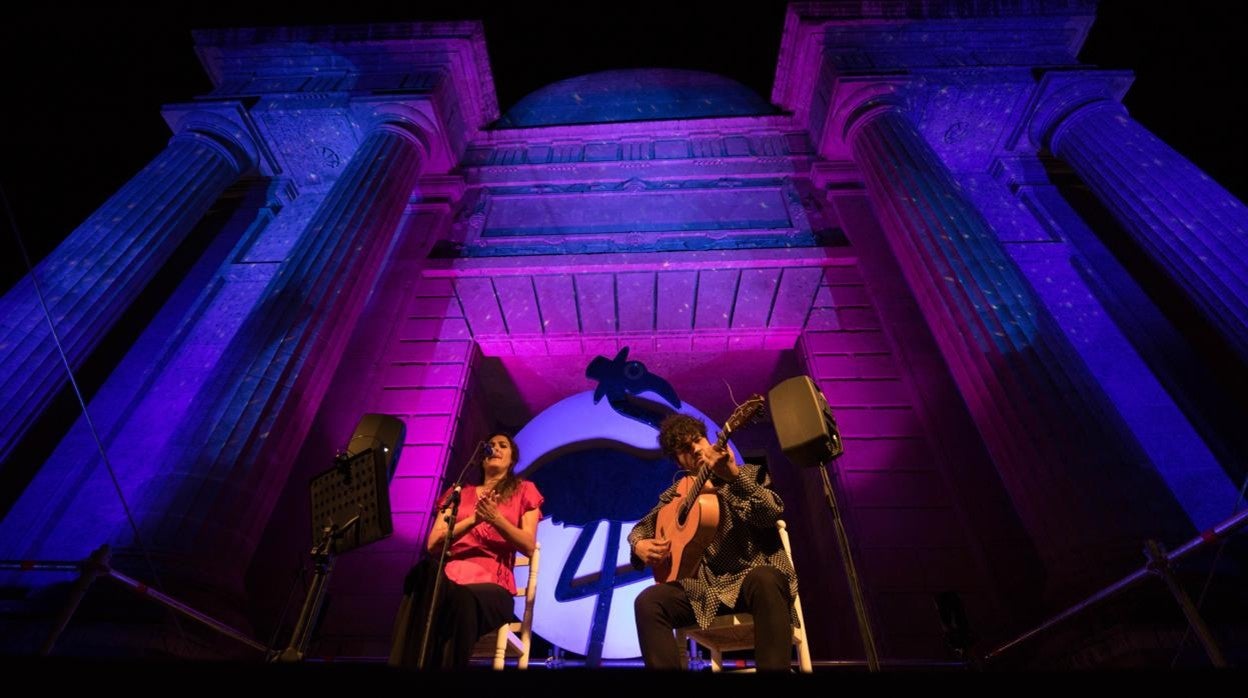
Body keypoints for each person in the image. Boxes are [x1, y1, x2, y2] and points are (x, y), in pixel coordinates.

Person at [629, 413, 798, 671]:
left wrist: (733, 477)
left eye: (698, 441)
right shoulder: (676, 494)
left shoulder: (749, 474)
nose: (696, 449)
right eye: (685, 449)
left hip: (751, 583)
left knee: (766, 578)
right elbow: (641, 528)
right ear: (678, 461)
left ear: (710, 441)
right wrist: (639, 544)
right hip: (704, 594)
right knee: (648, 602)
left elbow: (770, 514)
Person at [389, 432, 543, 669]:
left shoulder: (524, 490)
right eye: (491, 445)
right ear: (482, 458)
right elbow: (433, 544)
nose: (495, 448)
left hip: (492, 587)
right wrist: (474, 519)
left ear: (512, 460)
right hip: (447, 581)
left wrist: (496, 519)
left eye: (503, 445)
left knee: (459, 601)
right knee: (423, 576)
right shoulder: (458, 492)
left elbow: (528, 545)